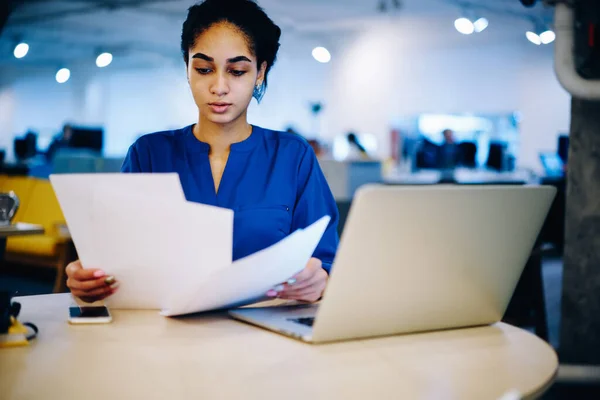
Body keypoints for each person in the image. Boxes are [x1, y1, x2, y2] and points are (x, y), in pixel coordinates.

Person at [65, 0, 339, 305]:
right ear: (187, 68)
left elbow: (325, 258)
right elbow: (113, 255)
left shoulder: (292, 157)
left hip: (266, 336)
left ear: (259, 72)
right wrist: (88, 276)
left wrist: (321, 278)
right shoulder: (149, 154)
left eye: (236, 71)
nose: (219, 87)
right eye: (204, 69)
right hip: (164, 336)